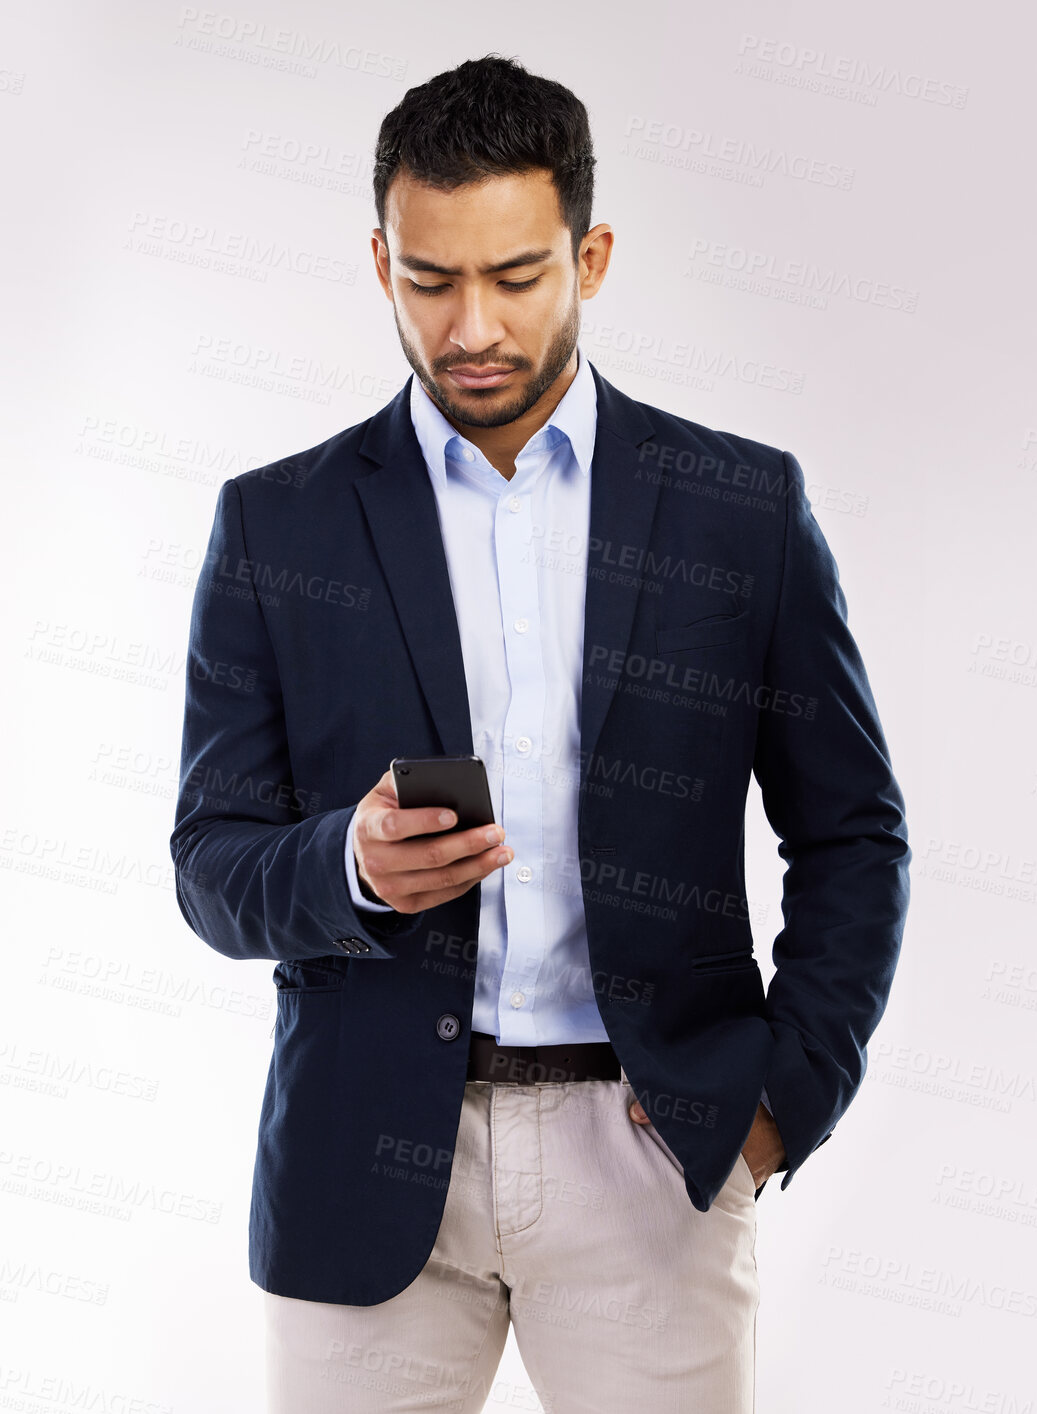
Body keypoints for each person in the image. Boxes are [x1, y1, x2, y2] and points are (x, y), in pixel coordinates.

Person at [169, 52, 910, 1413]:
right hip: (363, 1160)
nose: (472, 329)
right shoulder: (278, 525)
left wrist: (774, 1103)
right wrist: (344, 864)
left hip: (652, 1152)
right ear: (379, 259)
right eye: (430, 280)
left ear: (592, 254)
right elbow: (210, 863)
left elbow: (852, 833)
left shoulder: (736, 509)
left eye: (516, 278)